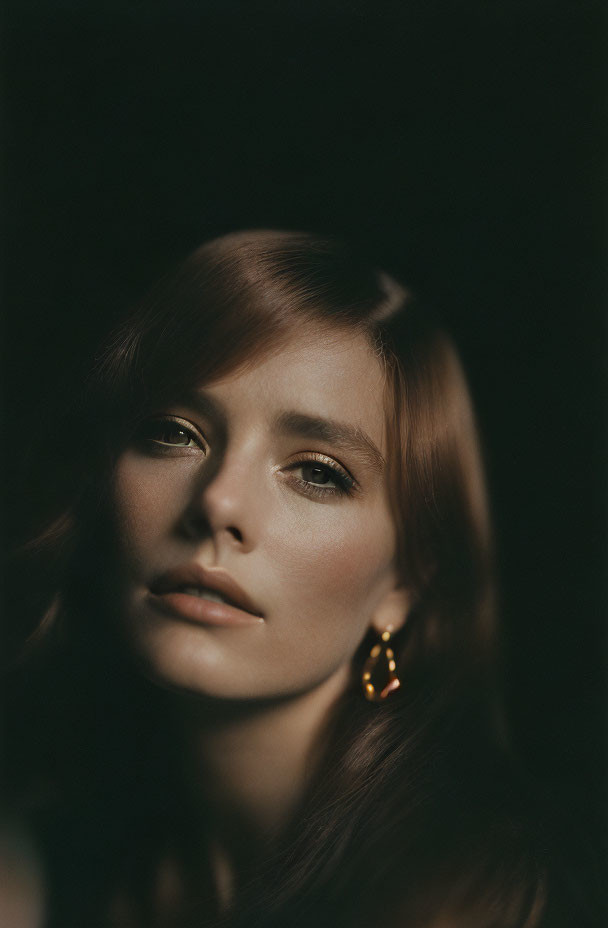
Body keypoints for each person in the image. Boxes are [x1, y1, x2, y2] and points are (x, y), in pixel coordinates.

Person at [4, 229, 546, 927]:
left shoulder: (488, 905)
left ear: (405, 582)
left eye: (318, 473)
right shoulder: (45, 865)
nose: (217, 502)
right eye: (174, 432)